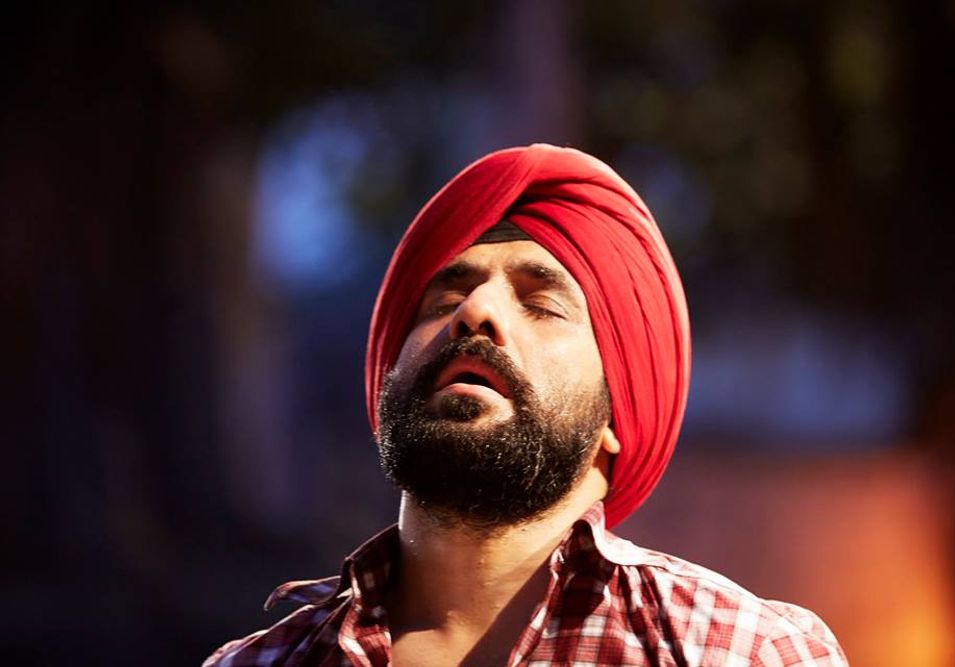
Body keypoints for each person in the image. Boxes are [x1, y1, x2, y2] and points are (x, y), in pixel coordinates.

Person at [204, 144, 847, 666]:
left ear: (616, 415)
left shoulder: (740, 652)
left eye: (540, 304)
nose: (475, 311)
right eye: (442, 299)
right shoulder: (260, 662)